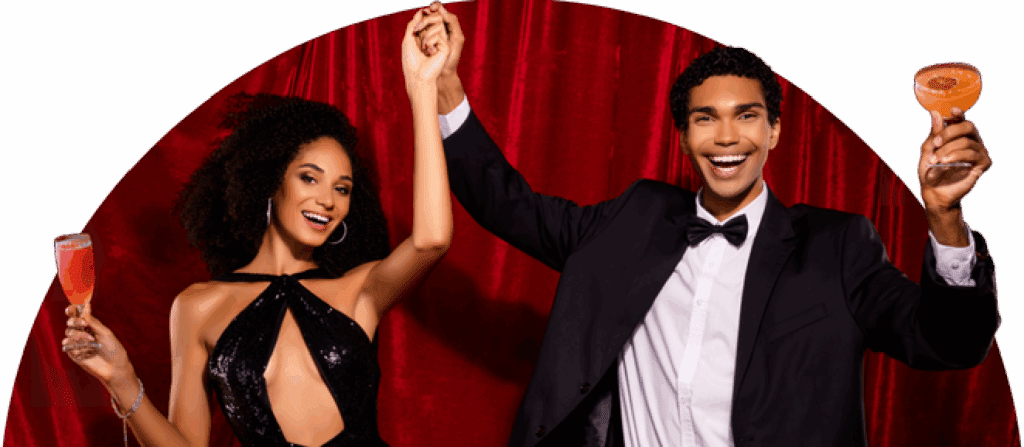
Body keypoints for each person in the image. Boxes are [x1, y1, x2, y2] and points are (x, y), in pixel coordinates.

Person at [422, 4, 998, 447]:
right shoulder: (634, 219)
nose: (726, 138)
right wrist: (445, 85)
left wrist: (944, 218)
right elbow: (508, 204)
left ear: (774, 131)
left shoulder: (837, 245)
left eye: (746, 116)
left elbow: (948, 343)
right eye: (705, 118)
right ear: (682, 137)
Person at [59, 8, 454, 447]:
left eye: (342, 188)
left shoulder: (360, 292)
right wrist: (122, 380)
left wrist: (422, 89)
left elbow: (432, 240)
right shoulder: (197, 307)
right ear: (270, 183)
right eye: (309, 178)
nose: (327, 199)